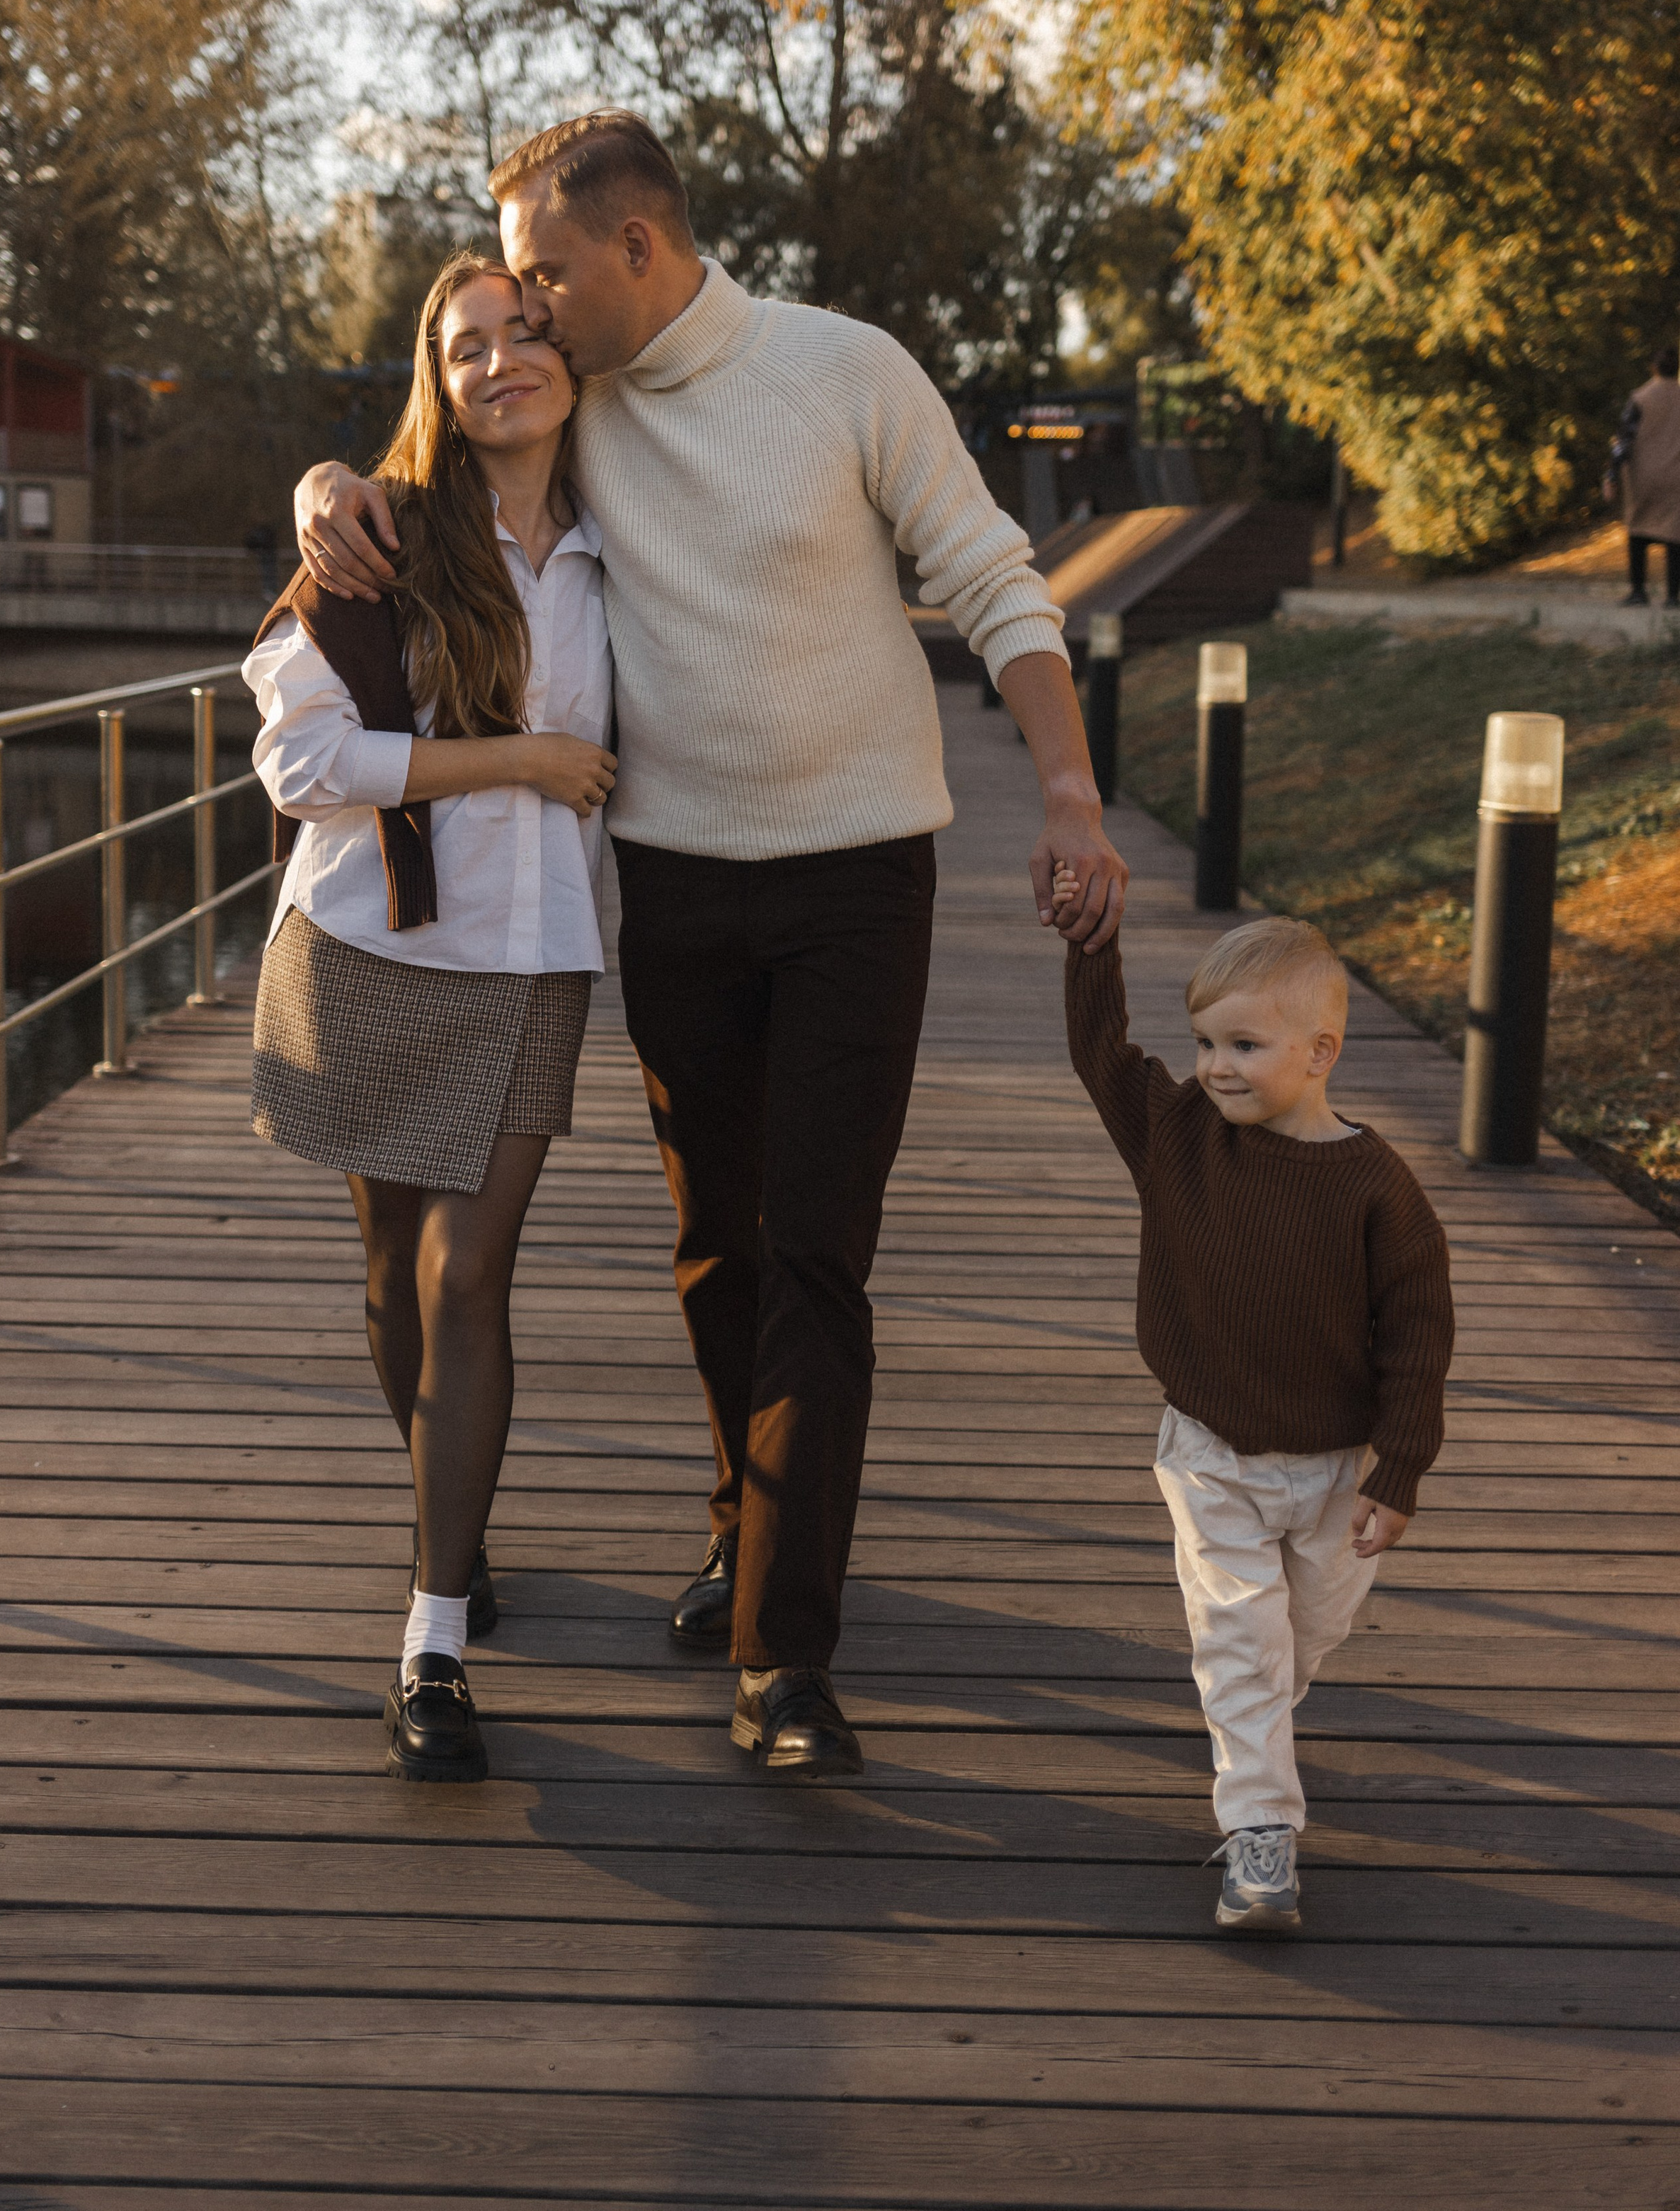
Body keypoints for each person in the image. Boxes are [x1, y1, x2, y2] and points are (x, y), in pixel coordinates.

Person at [292, 109, 1128, 1781]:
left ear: (636, 247)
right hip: (674, 887)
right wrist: (322, 489)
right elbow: (430, 459)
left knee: (815, 1253)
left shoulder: (844, 372)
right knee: (714, 1250)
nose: (528, 316)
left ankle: (782, 1656)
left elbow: (995, 579)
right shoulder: (576, 402)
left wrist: (1067, 794)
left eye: (542, 276)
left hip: (858, 880)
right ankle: (743, 1524)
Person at [246, 250, 616, 1784]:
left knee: (469, 1275)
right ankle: (448, 1522)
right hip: (368, 946)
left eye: (526, 333)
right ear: (438, 380)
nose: (502, 361)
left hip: (531, 957)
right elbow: (300, 765)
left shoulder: (629, 535)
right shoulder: (382, 533)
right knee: (394, 1271)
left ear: (572, 358)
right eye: (468, 346)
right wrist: (515, 760)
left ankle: (432, 1638)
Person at [1057, 901, 1453, 1931]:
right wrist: (1091, 940)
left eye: (1243, 1045)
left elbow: (1418, 1338)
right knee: (1241, 1640)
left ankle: (1255, 1728)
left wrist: (1399, 1469)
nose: (1215, 1067)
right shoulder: (1179, 1134)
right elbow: (1102, 1056)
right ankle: (1260, 1835)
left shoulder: (1378, 1189)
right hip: (1211, 1451)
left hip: (1336, 1467)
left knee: (1301, 1638)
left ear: (1320, 1053)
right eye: (1204, 1043)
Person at [1606, 344, 1680, 607]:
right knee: (1675, 535)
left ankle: (1639, 591)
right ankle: (1673, 596)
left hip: (1642, 476)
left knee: (1638, 530)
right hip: (1676, 477)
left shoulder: (1640, 398)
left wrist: (1612, 475)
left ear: (1653, 367)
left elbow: (1623, 440)